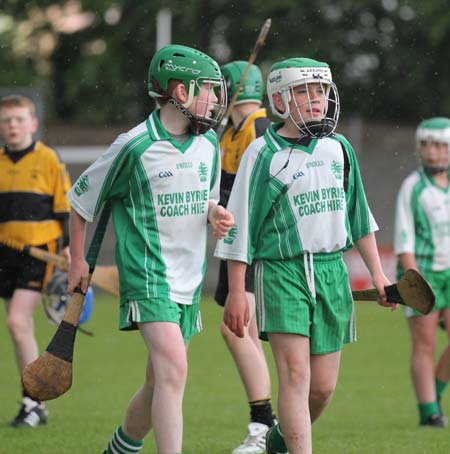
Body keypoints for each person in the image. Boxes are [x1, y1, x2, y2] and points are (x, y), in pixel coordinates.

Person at [215, 57, 396, 454]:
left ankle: (276, 442)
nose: (316, 100)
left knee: (322, 389)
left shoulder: (339, 149)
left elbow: (360, 218)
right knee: (294, 376)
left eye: (321, 91)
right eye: (303, 91)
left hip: (332, 273)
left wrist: (379, 275)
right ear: (279, 99)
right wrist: (234, 291)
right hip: (282, 273)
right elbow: (240, 228)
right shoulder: (261, 154)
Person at [67, 44, 234, 454]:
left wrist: (214, 213)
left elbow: (206, 196)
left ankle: (120, 448)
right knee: (175, 371)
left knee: (158, 381)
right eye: (208, 90)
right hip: (148, 276)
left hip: (189, 281)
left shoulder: (209, 144)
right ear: (180, 92)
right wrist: (76, 261)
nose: (215, 99)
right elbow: (79, 202)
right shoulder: (134, 145)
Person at [214, 61, 275, 454]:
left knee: (236, 329)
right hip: (234, 243)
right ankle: (266, 423)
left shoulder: (260, 125)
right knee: (244, 332)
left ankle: (263, 424)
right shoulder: (230, 132)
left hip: (252, 243)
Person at [0, 95, 71, 427]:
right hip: (6, 255)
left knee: (16, 322)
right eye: (6, 120)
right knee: (20, 329)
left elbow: (64, 208)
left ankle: (34, 401)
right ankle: (34, 402)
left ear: (32, 124)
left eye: (18, 119)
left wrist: (68, 248)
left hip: (38, 253)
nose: (12, 126)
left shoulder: (47, 160)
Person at [393, 117, 450, 428]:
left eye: (440, 146)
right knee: (425, 343)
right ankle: (429, 411)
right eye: (427, 145)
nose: (433, 152)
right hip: (423, 273)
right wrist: (415, 282)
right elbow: (404, 240)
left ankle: (436, 394)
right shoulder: (412, 188)